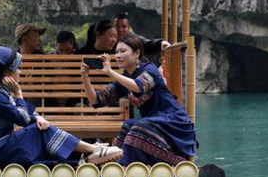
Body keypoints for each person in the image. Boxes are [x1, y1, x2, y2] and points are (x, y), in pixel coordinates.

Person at [0, 46, 123, 168]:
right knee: (35, 131)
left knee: (39, 128)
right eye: (17, 68)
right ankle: (91, 150)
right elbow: (23, 119)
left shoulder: (1, 92)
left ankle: (86, 153)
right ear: (7, 73)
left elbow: (23, 112)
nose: (20, 72)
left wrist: (38, 117)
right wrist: (18, 92)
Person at [80, 34, 197, 165]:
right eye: (116, 52)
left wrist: (110, 72)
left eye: (123, 51)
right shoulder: (125, 78)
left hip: (172, 123)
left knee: (138, 127)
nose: (118, 55)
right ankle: (116, 164)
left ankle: (175, 162)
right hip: (153, 124)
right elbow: (96, 100)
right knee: (128, 125)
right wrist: (85, 77)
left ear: (137, 53)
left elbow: (138, 87)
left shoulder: (150, 69)